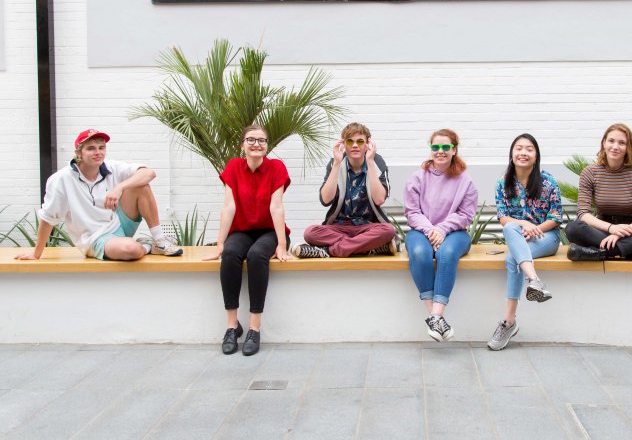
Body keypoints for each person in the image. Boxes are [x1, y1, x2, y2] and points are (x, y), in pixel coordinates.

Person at [15, 129, 183, 261]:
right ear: (78, 153)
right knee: (131, 250)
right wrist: (36, 254)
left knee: (141, 185)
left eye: (101, 148)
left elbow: (149, 173)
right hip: (94, 238)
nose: (98, 152)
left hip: (119, 222)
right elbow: (48, 218)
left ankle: (159, 240)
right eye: (91, 148)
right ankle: (147, 246)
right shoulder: (61, 179)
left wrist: (119, 188)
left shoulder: (111, 167)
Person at [203, 125, 291, 356]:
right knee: (230, 254)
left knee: (256, 255)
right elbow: (228, 207)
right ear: (242, 145)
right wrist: (220, 243)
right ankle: (232, 326)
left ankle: (254, 327)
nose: (256, 144)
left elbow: (277, 207)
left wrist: (281, 244)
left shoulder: (276, 167)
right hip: (242, 230)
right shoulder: (233, 167)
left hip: (270, 231)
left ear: (267, 146)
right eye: (251, 140)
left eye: (261, 141)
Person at [487, 133, 563, 351]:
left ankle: (509, 323)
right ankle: (533, 283)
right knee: (512, 249)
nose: (523, 153)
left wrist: (535, 228)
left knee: (513, 254)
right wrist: (523, 224)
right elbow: (503, 218)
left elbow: (556, 217)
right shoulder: (503, 183)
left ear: (536, 155)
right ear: (512, 154)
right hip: (520, 237)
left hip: (547, 237)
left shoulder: (548, 181)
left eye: (529, 149)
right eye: (519, 148)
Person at [404, 129, 478, 341]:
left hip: (455, 233)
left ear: (454, 150)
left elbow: (466, 215)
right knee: (419, 252)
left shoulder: (466, 181)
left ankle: (435, 315)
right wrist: (431, 230)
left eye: (446, 147)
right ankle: (436, 318)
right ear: (431, 149)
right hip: (421, 231)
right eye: (435, 147)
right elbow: (412, 212)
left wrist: (442, 229)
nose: (440, 151)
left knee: (446, 254)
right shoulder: (417, 178)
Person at [565, 123, 632, 262]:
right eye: (611, 141)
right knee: (573, 228)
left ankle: (599, 253)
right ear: (603, 142)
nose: (615, 147)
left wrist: (620, 233)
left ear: (628, 147)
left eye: (622, 143)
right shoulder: (590, 172)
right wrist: (611, 228)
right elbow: (583, 214)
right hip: (602, 228)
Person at [292, 122, 396, 258]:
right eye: (349, 141)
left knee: (388, 230)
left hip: (367, 227)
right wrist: (336, 163)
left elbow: (379, 199)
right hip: (339, 227)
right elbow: (325, 200)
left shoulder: (376, 162)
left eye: (360, 141)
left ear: (367, 145)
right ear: (344, 144)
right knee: (310, 232)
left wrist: (370, 162)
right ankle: (367, 248)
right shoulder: (336, 163)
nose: (354, 145)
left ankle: (327, 251)